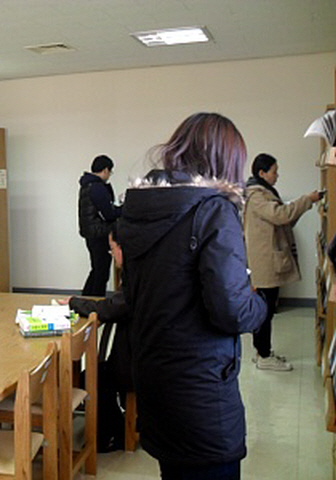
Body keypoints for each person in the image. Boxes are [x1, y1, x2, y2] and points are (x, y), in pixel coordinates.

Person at [117, 113, 267, 480]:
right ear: (225, 160)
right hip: (200, 385)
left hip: (154, 375)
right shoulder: (215, 211)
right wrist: (260, 304)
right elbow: (232, 311)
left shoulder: (140, 210)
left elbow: (134, 295)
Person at [243, 153, 321, 371]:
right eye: (274, 171)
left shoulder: (264, 192)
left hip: (267, 260)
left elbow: (283, 220)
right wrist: (307, 200)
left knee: (266, 309)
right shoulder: (256, 196)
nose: (277, 175)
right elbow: (280, 215)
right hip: (264, 262)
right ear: (262, 173)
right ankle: (264, 356)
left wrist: (303, 206)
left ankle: (262, 352)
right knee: (264, 311)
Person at [67, 220, 131, 453]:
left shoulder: (136, 276)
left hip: (137, 361)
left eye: (112, 249)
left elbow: (110, 309)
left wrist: (74, 302)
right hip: (140, 353)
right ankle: (111, 430)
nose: (112, 255)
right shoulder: (143, 270)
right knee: (95, 373)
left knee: (92, 377)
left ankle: (113, 433)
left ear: (123, 248)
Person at [78, 154, 122, 296]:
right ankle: (96, 302)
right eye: (110, 172)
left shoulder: (87, 185)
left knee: (96, 270)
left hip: (90, 233)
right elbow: (109, 214)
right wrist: (125, 208)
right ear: (105, 170)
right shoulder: (97, 187)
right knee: (101, 273)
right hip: (100, 234)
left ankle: (85, 300)